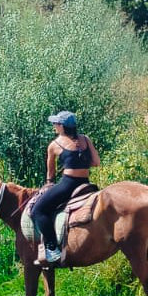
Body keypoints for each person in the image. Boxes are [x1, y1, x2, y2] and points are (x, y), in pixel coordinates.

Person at [31, 110, 101, 265]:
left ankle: (52, 248)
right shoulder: (85, 139)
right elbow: (96, 162)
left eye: (56, 123)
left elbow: (51, 175)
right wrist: (79, 162)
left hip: (68, 184)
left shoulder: (54, 145)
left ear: (62, 127)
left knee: (38, 210)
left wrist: (49, 184)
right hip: (86, 183)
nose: (54, 126)